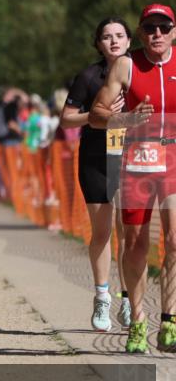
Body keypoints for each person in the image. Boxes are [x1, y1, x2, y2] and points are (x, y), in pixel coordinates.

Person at [91, 4, 176, 353]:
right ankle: (138, 321)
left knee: (174, 238)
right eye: (150, 28)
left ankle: (169, 321)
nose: (157, 34)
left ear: (173, 31)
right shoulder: (127, 65)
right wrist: (125, 119)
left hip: (173, 157)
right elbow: (97, 114)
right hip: (139, 158)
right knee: (136, 243)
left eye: (163, 27)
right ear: (141, 34)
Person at [61, 17, 134, 332]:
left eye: (120, 35)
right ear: (98, 43)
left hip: (133, 158)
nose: (114, 41)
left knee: (130, 233)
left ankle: (130, 298)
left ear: (130, 41)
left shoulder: (140, 73)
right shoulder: (88, 77)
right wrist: (97, 115)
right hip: (97, 159)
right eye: (107, 36)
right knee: (103, 231)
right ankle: (102, 296)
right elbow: (66, 120)